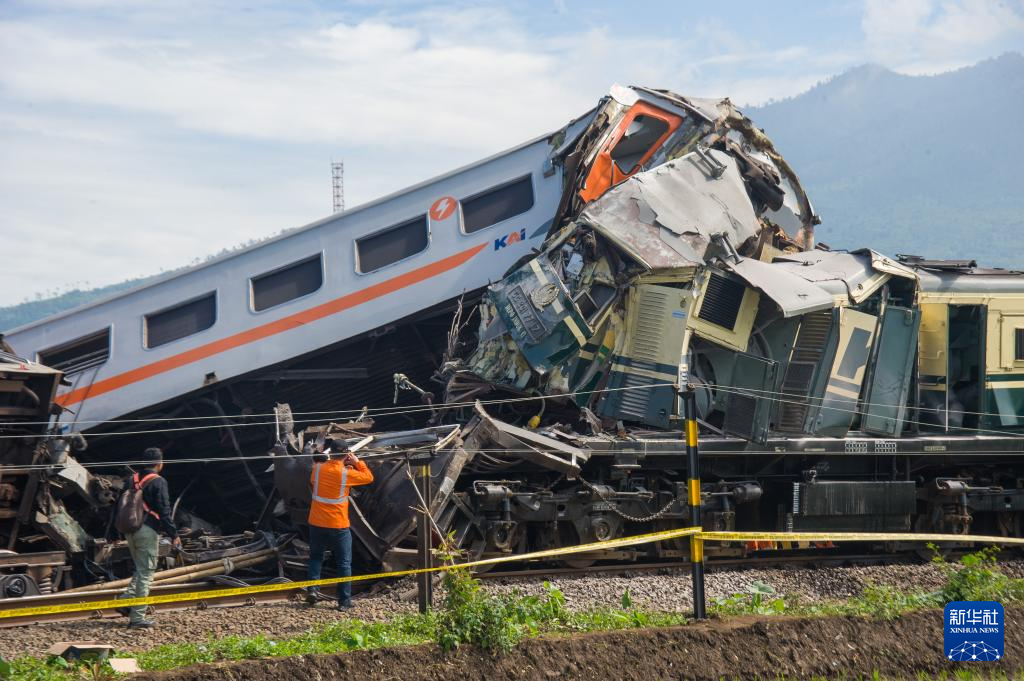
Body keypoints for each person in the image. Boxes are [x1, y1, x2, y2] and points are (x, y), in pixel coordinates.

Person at [307, 441, 374, 610]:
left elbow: (315, 478)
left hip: (316, 522)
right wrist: (357, 462)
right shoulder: (346, 474)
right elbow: (369, 477)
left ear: (331, 453)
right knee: (344, 563)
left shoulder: (318, 469)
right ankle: (344, 602)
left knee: (316, 557)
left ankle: (313, 590)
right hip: (338, 524)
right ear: (346, 455)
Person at [118, 447, 180, 628]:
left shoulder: (131, 479)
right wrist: (173, 534)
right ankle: (137, 618)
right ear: (160, 464)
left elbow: (119, 507)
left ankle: (124, 601)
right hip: (147, 530)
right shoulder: (158, 481)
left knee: (140, 568)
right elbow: (164, 510)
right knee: (146, 573)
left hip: (129, 529)